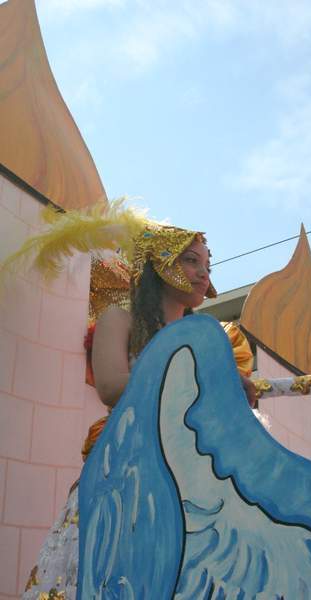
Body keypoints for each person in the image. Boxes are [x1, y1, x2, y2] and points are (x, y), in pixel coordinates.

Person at [17, 203, 256, 598]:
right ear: (158, 262)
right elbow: (111, 387)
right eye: (191, 260)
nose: (204, 273)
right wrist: (201, 380)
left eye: (207, 265)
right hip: (123, 469)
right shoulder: (118, 319)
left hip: (190, 475)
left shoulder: (208, 338)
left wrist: (227, 390)